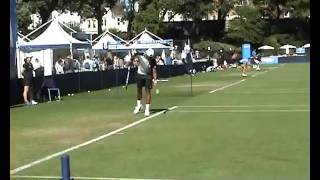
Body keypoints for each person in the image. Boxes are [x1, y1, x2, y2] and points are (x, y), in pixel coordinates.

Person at [132, 48, 157, 116]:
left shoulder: (153, 60)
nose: (149, 58)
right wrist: (135, 61)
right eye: (149, 56)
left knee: (148, 91)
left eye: (150, 57)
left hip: (148, 76)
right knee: (139, 90)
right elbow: (134, 59)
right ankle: (138, 105)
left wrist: (155, 79)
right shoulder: (140, 56)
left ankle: (147, 109)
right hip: (139, 75)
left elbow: (154, 70)